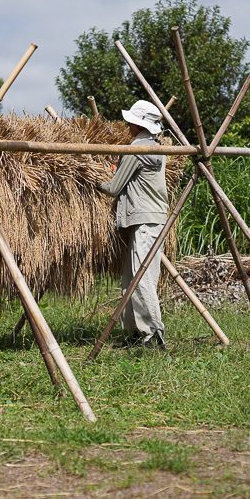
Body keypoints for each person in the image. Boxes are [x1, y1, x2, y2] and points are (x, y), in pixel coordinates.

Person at [98, 100, 169, 350]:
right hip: (150, 219)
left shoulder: (137, 148)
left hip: (147, 220)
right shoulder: (155, 146)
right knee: (131, 278)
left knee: (142, 278)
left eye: (130, 121)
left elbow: (114, 187)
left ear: (138, 124)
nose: (127, 125)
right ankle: (135, 334)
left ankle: (153, 335)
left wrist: (95, 180)